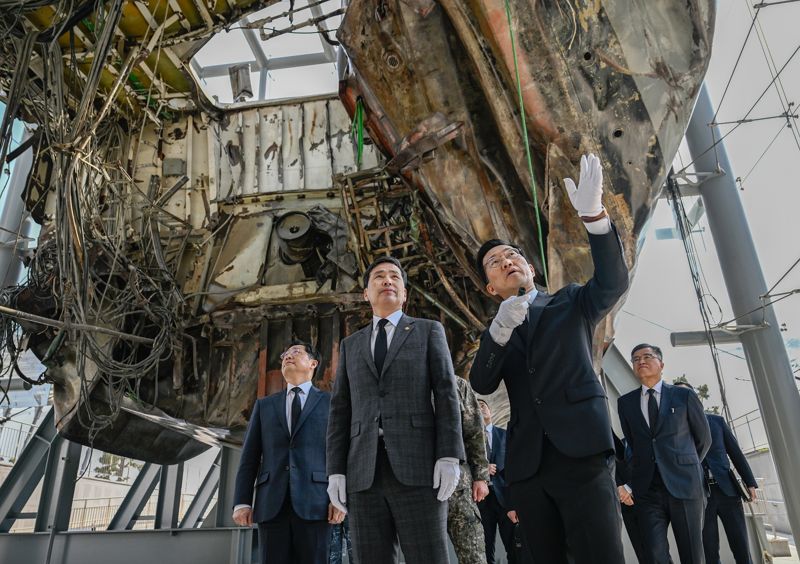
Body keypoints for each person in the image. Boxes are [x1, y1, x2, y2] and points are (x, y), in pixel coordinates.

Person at [470, 153, 629, 563]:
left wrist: (595, 218)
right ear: (490, 288)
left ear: (531, 269)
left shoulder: (571, 302)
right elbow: (481, 382)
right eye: (494, 262)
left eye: (512, 255)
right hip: (528, 469)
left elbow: (612, 283)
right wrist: (499, 330)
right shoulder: (497, 333)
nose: (506, 260)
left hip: (583, 455)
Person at [326, 256, 465, 564]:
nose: (387, 280)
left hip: (418, 469)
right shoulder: (351, 345)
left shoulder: (428, 331)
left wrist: (449, 454)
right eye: (378, 276)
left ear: (404, 294)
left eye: (394, 277)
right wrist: (335, 470)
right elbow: (340, 410)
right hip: (363, 474)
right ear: (366, 293)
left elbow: (445, 394)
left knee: (428, 557)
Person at [232, 341, 344, 564]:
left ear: (313, 363)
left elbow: (340, 452)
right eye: (285, 354)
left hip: (317, 504)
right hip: (271, 504)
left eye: (296, 352)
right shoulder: (264, 406)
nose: (288, 356)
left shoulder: (331, 403)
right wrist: (242, 502)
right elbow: (250, 457)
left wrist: (339, 499)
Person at [618, 344, 711, 564]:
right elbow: (634, 443)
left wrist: (682, 465)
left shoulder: (683, 396)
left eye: (647, 356)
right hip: (648, 490)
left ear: (661, 364)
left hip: (685, 486)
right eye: (635, 358)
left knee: (692, 554)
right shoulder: (626, 403)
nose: (641, 361)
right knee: (654, 555)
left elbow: (703, 439)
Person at [673, 382, 758, 564]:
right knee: (709, 550)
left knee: (741, 545)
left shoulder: (716, 421)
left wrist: (750, 482)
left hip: (728, 492)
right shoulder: (674, 428)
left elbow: (736, 453)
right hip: (700, 496)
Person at [447, 377, 490, 564]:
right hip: (420, 489)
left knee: (474, 555)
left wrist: (481, 476)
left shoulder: (457, 384)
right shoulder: (404, 380)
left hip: (460, 489)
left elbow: (474, 431)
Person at [476, 399, 516, 564]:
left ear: (490, 411)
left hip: (505, 499)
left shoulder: (506, 435)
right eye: (476, 406)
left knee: (513, 547)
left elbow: (514, 466)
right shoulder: (469, 440)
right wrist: (482, 468)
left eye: (483, 405)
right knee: (485, 551)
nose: (481, 408)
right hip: (481, 500)